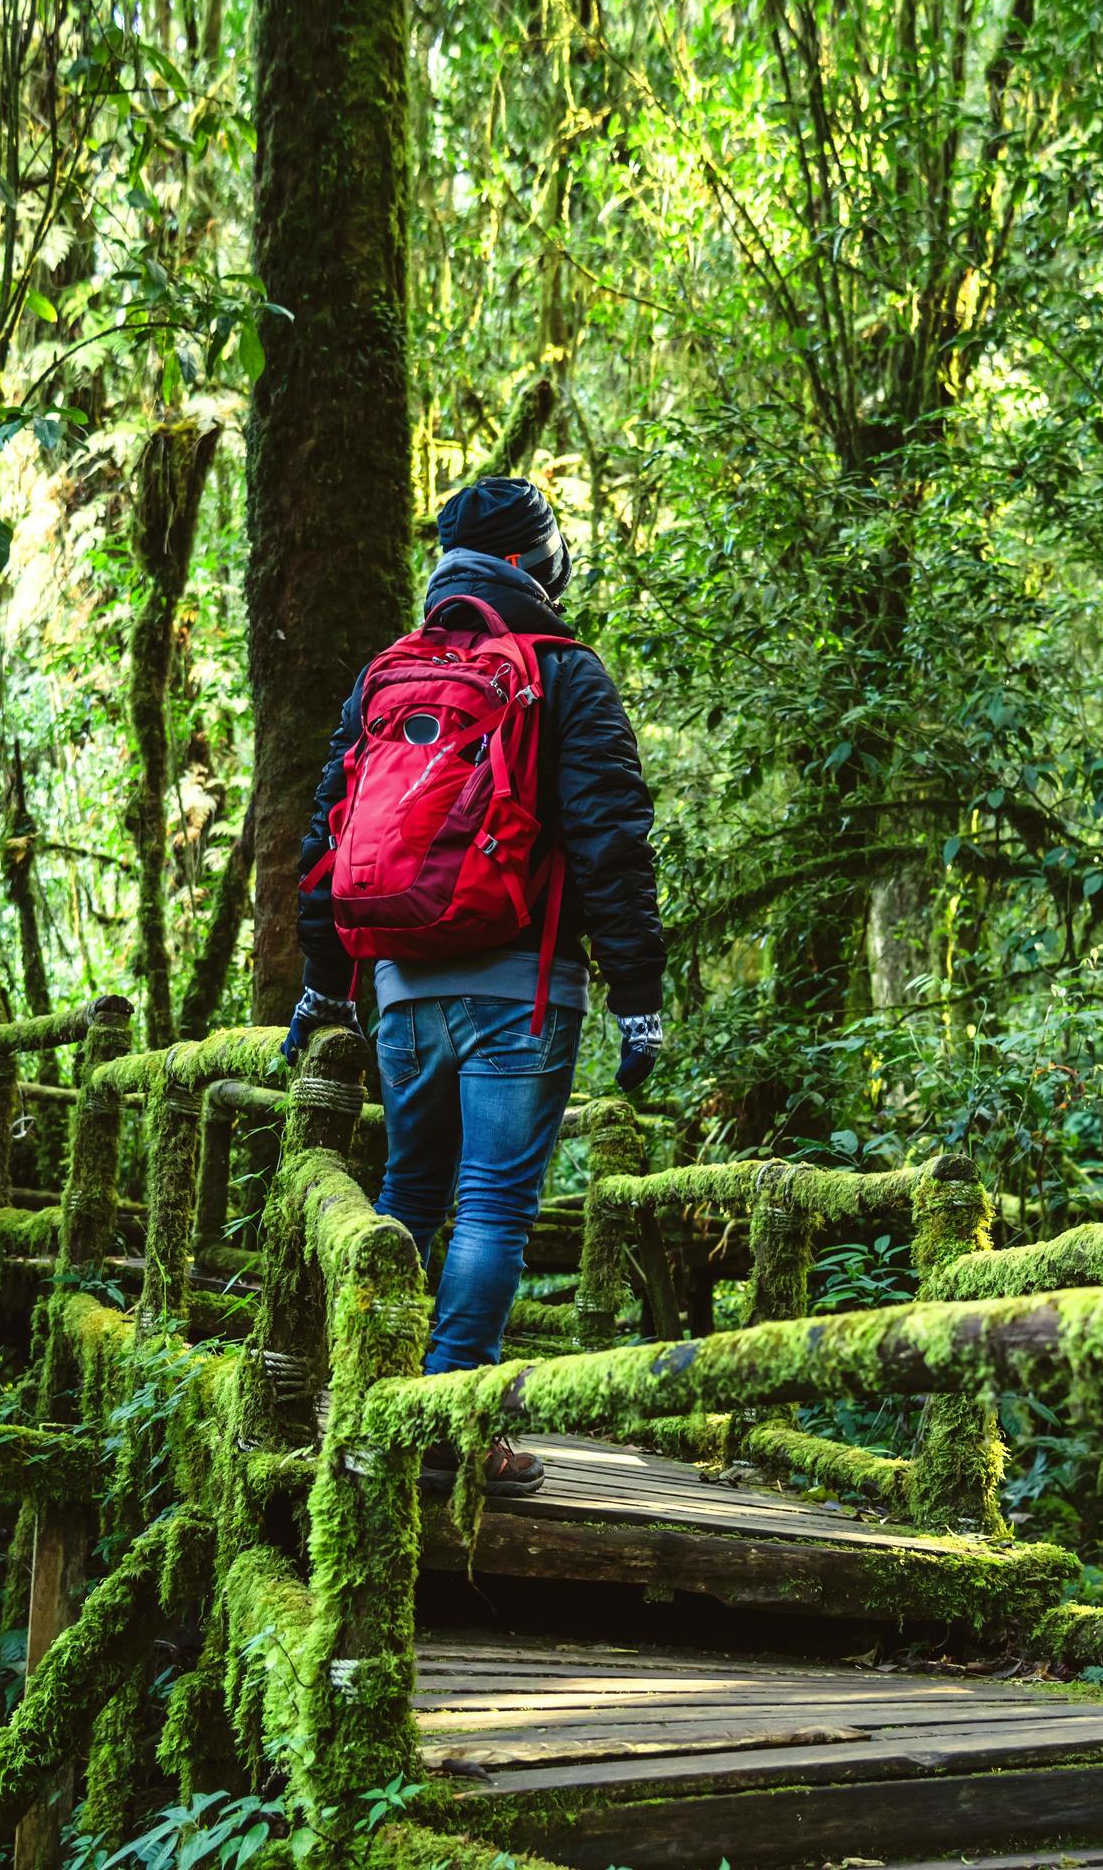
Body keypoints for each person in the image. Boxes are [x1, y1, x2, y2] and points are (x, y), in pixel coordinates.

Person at [283, 476, 665, 1495]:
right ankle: (446, 1423)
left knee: (407, 1192)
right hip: (518, 987)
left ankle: (372, 1405)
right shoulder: (562, 673)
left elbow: (325, 836)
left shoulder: (385, 675)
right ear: (540, 562)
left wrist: (324, 985)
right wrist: (640, 995)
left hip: (400, 988)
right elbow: (610, 843)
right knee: (493, 1207)